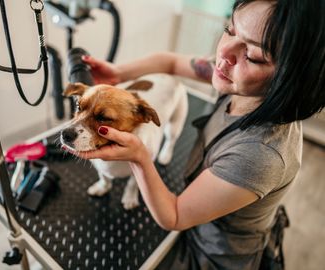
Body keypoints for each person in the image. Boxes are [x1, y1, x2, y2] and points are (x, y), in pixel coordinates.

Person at [66, 0, 325, 269]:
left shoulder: (260, 155)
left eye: (253, 55)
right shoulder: (238, 78)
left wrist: (140, 157)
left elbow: (174, 216)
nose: (224, 52)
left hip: (214, 253)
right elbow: (170, 63)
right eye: (230, 29)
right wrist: (118, 73)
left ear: (291, 78)